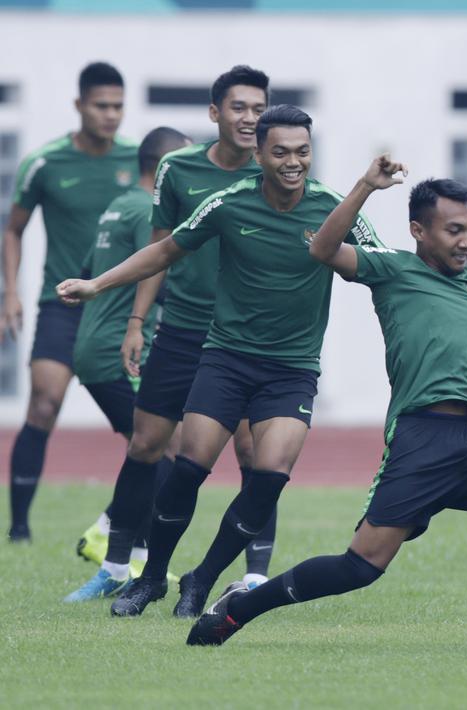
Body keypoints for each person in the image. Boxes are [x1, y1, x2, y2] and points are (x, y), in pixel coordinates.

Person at [184, 157, 467, 649]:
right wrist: (366, 185)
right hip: (419, 441)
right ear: (418, 231)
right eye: (453, 230)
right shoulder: (391, 269)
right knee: (359, 568)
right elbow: (321, 248)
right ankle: (239, 610)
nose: (466, 240)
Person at [57, 105, 379, 618]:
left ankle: (201, 578)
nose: (293, 162)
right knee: (188, 468)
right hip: (226, 360)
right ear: (259, 155)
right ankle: (149, 580)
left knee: (269, 475)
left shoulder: (332, 208)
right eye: (280, 152)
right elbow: (164, 251)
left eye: (302, 152)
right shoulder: (228, 203)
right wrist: (97, 284)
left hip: (291, 369)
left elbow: (383, 266)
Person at [73, 65, 277, 591]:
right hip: (182, 329)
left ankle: (254, 577)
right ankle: (117, 567)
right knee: (145, 444)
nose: (250, 118)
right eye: (239, 107)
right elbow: (160, 250)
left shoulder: (272, 171)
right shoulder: (178, 169)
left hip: (246, 336)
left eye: (259, 108)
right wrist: (137, 321)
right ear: (215, 113)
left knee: (254, 453)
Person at [4, 62, 138, 543]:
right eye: (101, 105)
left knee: (144, 426)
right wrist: (11, 294)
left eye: (118, 106)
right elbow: (14, 229)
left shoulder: (137, 162)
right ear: (79, 105)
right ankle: (19, 528)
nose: (111, 115)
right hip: (59, 305)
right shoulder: (45, 162)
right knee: (43, 405)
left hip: (120, 312)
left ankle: (116, 526)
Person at [62, 126, 192, 601]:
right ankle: (113, 545)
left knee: (157, 450)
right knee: (161, 452)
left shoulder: (118, 204)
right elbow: (159, 270)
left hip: (96, 345)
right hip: (122, 350)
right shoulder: (146, 213)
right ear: (163, 169)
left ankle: (127, 552)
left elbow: (88, 269)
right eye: (184, 163)